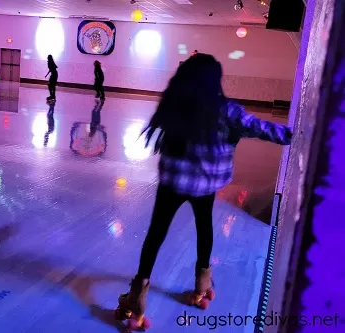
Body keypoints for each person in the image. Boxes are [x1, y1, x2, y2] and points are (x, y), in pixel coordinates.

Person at [115, 53, 293, 329]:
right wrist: (299, 133)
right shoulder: (226, 110)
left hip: (173, 182)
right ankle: (201, 286)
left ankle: (137, 296)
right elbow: (261, 128)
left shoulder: (175, 103)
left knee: (155, 234)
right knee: (205, 228)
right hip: (205, 185)